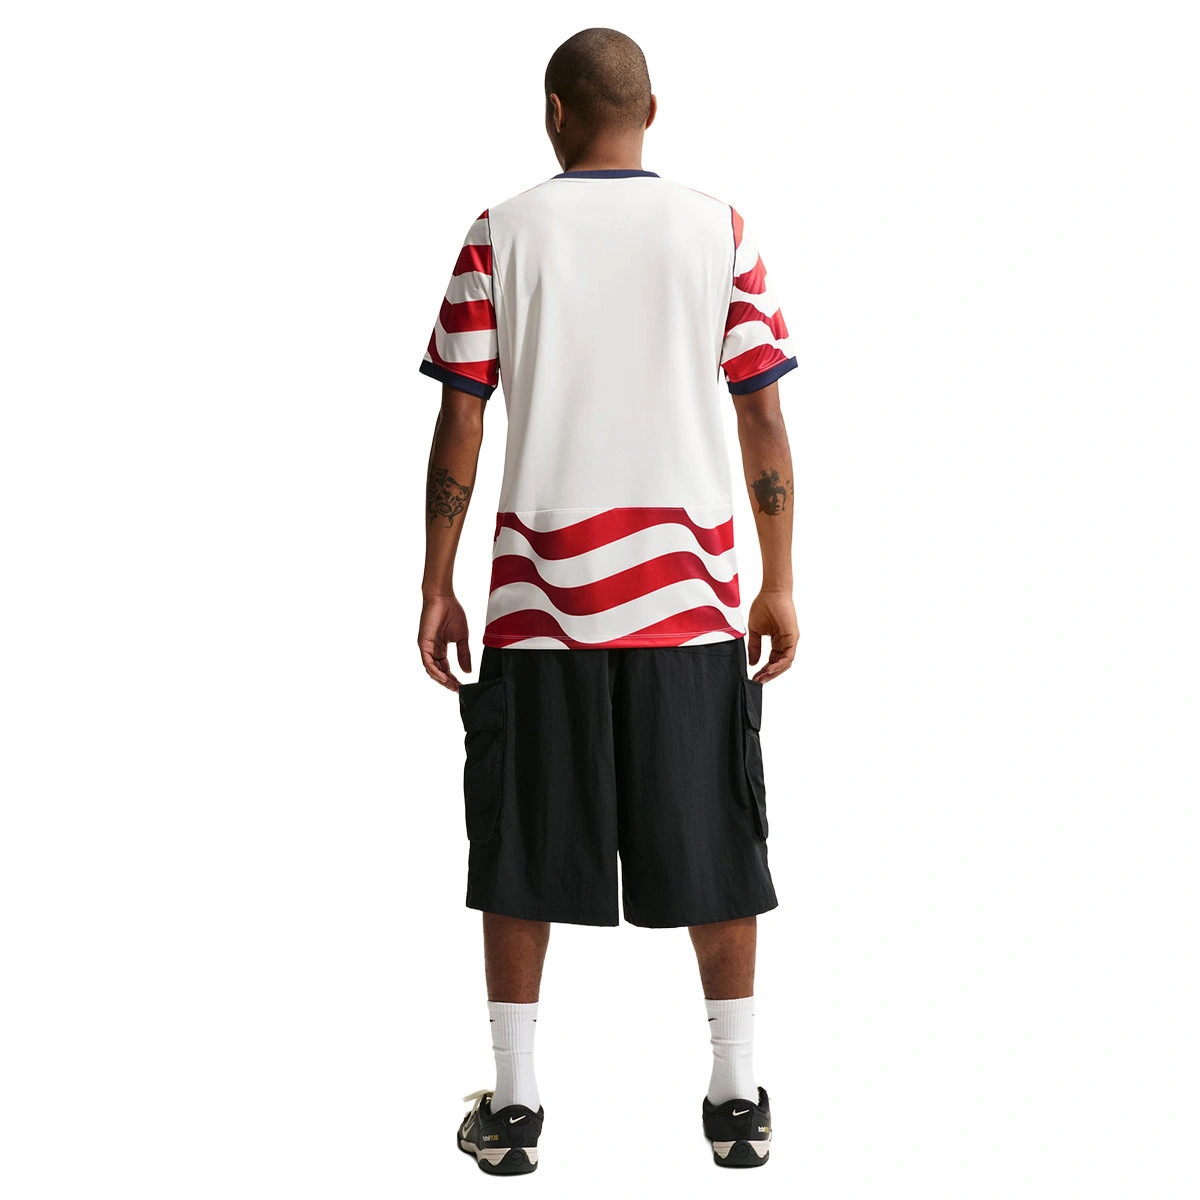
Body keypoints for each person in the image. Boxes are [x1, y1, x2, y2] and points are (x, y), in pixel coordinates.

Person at [417, 27, 799, 1175]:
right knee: (717, 838)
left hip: (543, 602)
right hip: (689, 597)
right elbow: (763, 415)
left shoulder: (500, 232)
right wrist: (779, 578)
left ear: (554, 111)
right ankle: (735, 1100)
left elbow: (462, 415)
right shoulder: (720, 230)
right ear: (652, 109)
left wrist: (437, 581)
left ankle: (515, 1107)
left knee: (520, 845)